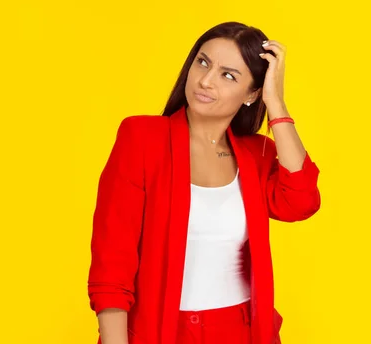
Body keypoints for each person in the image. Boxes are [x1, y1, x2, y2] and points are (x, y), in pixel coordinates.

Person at [87, 21, 321, 344]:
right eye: (203, 62)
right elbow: (111, 267)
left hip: (242, 332)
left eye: (228, 75)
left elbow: (302, 199)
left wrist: (277, 105)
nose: (206, 81)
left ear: (253, 93)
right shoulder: (141, 140)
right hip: (160, 332)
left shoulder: (257, 154)